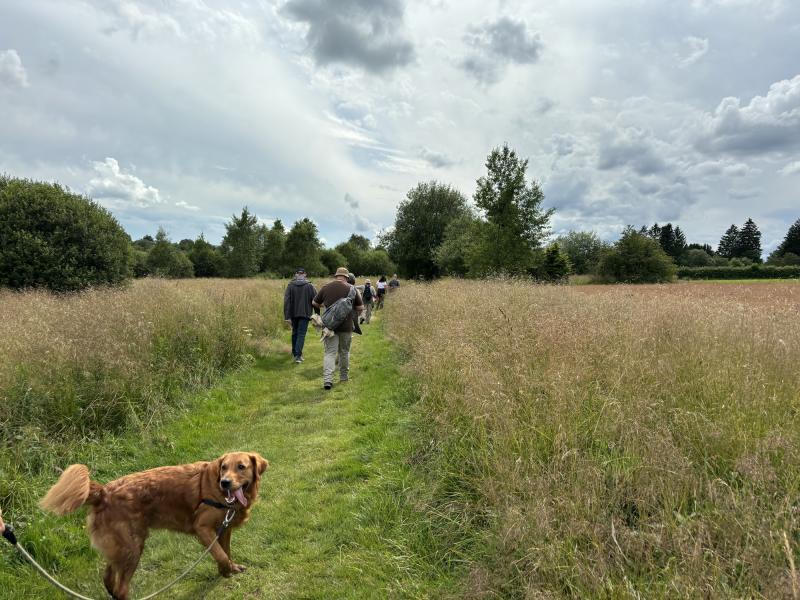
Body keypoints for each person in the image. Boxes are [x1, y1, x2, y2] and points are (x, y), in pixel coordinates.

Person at [313, 267, 364, 390]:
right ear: (347, 277)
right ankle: (343, 377)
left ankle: (327, 380)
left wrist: (325, 308)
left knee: (330, 353)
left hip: (329, 326)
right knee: (344, 352)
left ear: (336, 276)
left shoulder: (326, 287)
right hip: (346, 326)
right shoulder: (352, 289)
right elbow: (360, 307)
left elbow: (314, 303)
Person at [283, 267, 317, 364]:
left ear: (296, 274)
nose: (300, 275)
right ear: (304, 274)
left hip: (293, 314)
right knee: (301, 334)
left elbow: (286, 301)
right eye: (300, 273)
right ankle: (298, 355)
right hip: (305, 314)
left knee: (295, 333)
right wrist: (317, 314)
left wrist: (287, 316)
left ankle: (295, 353)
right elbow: (316, 301)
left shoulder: (290, 285)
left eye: (300, 273)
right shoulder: (310, 286)